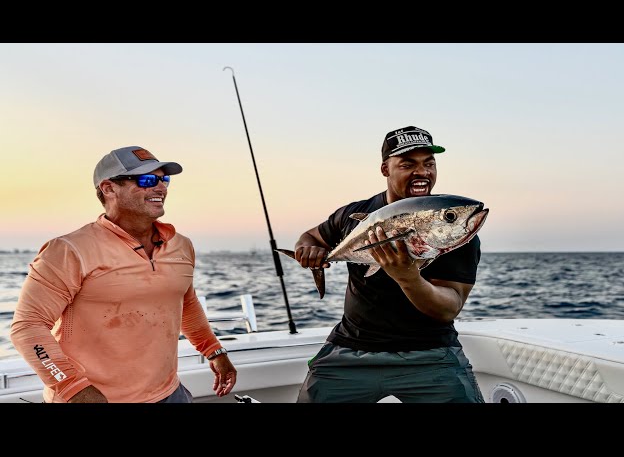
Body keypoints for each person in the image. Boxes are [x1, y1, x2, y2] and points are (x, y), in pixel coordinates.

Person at [10, 146, 237, 403]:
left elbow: (185, 302)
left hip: (170, 393)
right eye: (147, 180)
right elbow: (28, 327)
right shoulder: (68, 250)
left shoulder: (181, 245)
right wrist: (72, 387)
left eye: (164, 179)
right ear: (109, 188)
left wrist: (214, 350)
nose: (160, 188)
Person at [293, 126, 485, 403]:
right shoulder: (353, 214)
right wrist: (308, 249)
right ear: (385, 169)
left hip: (430, 354)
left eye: (429, 163)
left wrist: (408, 277)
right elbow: (312, 236)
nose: (422, 172)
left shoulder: (450, 228)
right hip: (350, 349)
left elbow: (448, 307)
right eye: (408, 164)